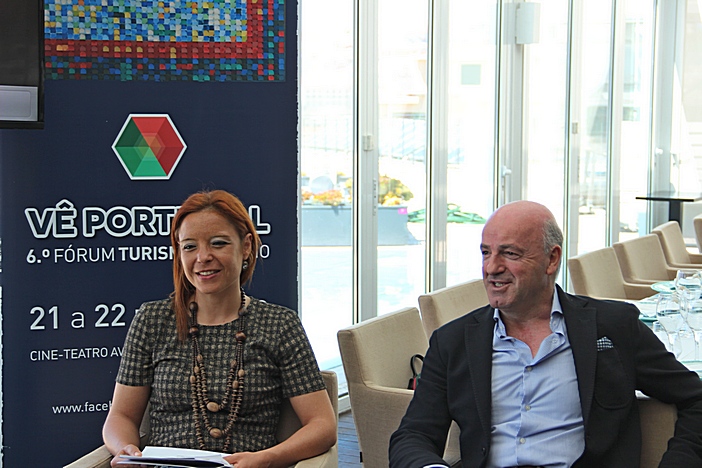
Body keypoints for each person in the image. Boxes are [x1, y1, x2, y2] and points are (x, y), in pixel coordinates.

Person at [389, 200, 702, 467]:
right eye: (486, 253)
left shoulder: (612, 327)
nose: (491, 268)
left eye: (510, 254)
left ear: (552, 259)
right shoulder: (453, 342)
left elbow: (695, 398)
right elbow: (413, 435)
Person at [103, 189, 336, 468]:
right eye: (189, 246)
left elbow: (322, 425)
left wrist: (268, 458)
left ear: (246, 246)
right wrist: (126, 449)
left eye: (218, 243)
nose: (203, 257)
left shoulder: (280, 324)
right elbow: (121, 416)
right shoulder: (152, 320)